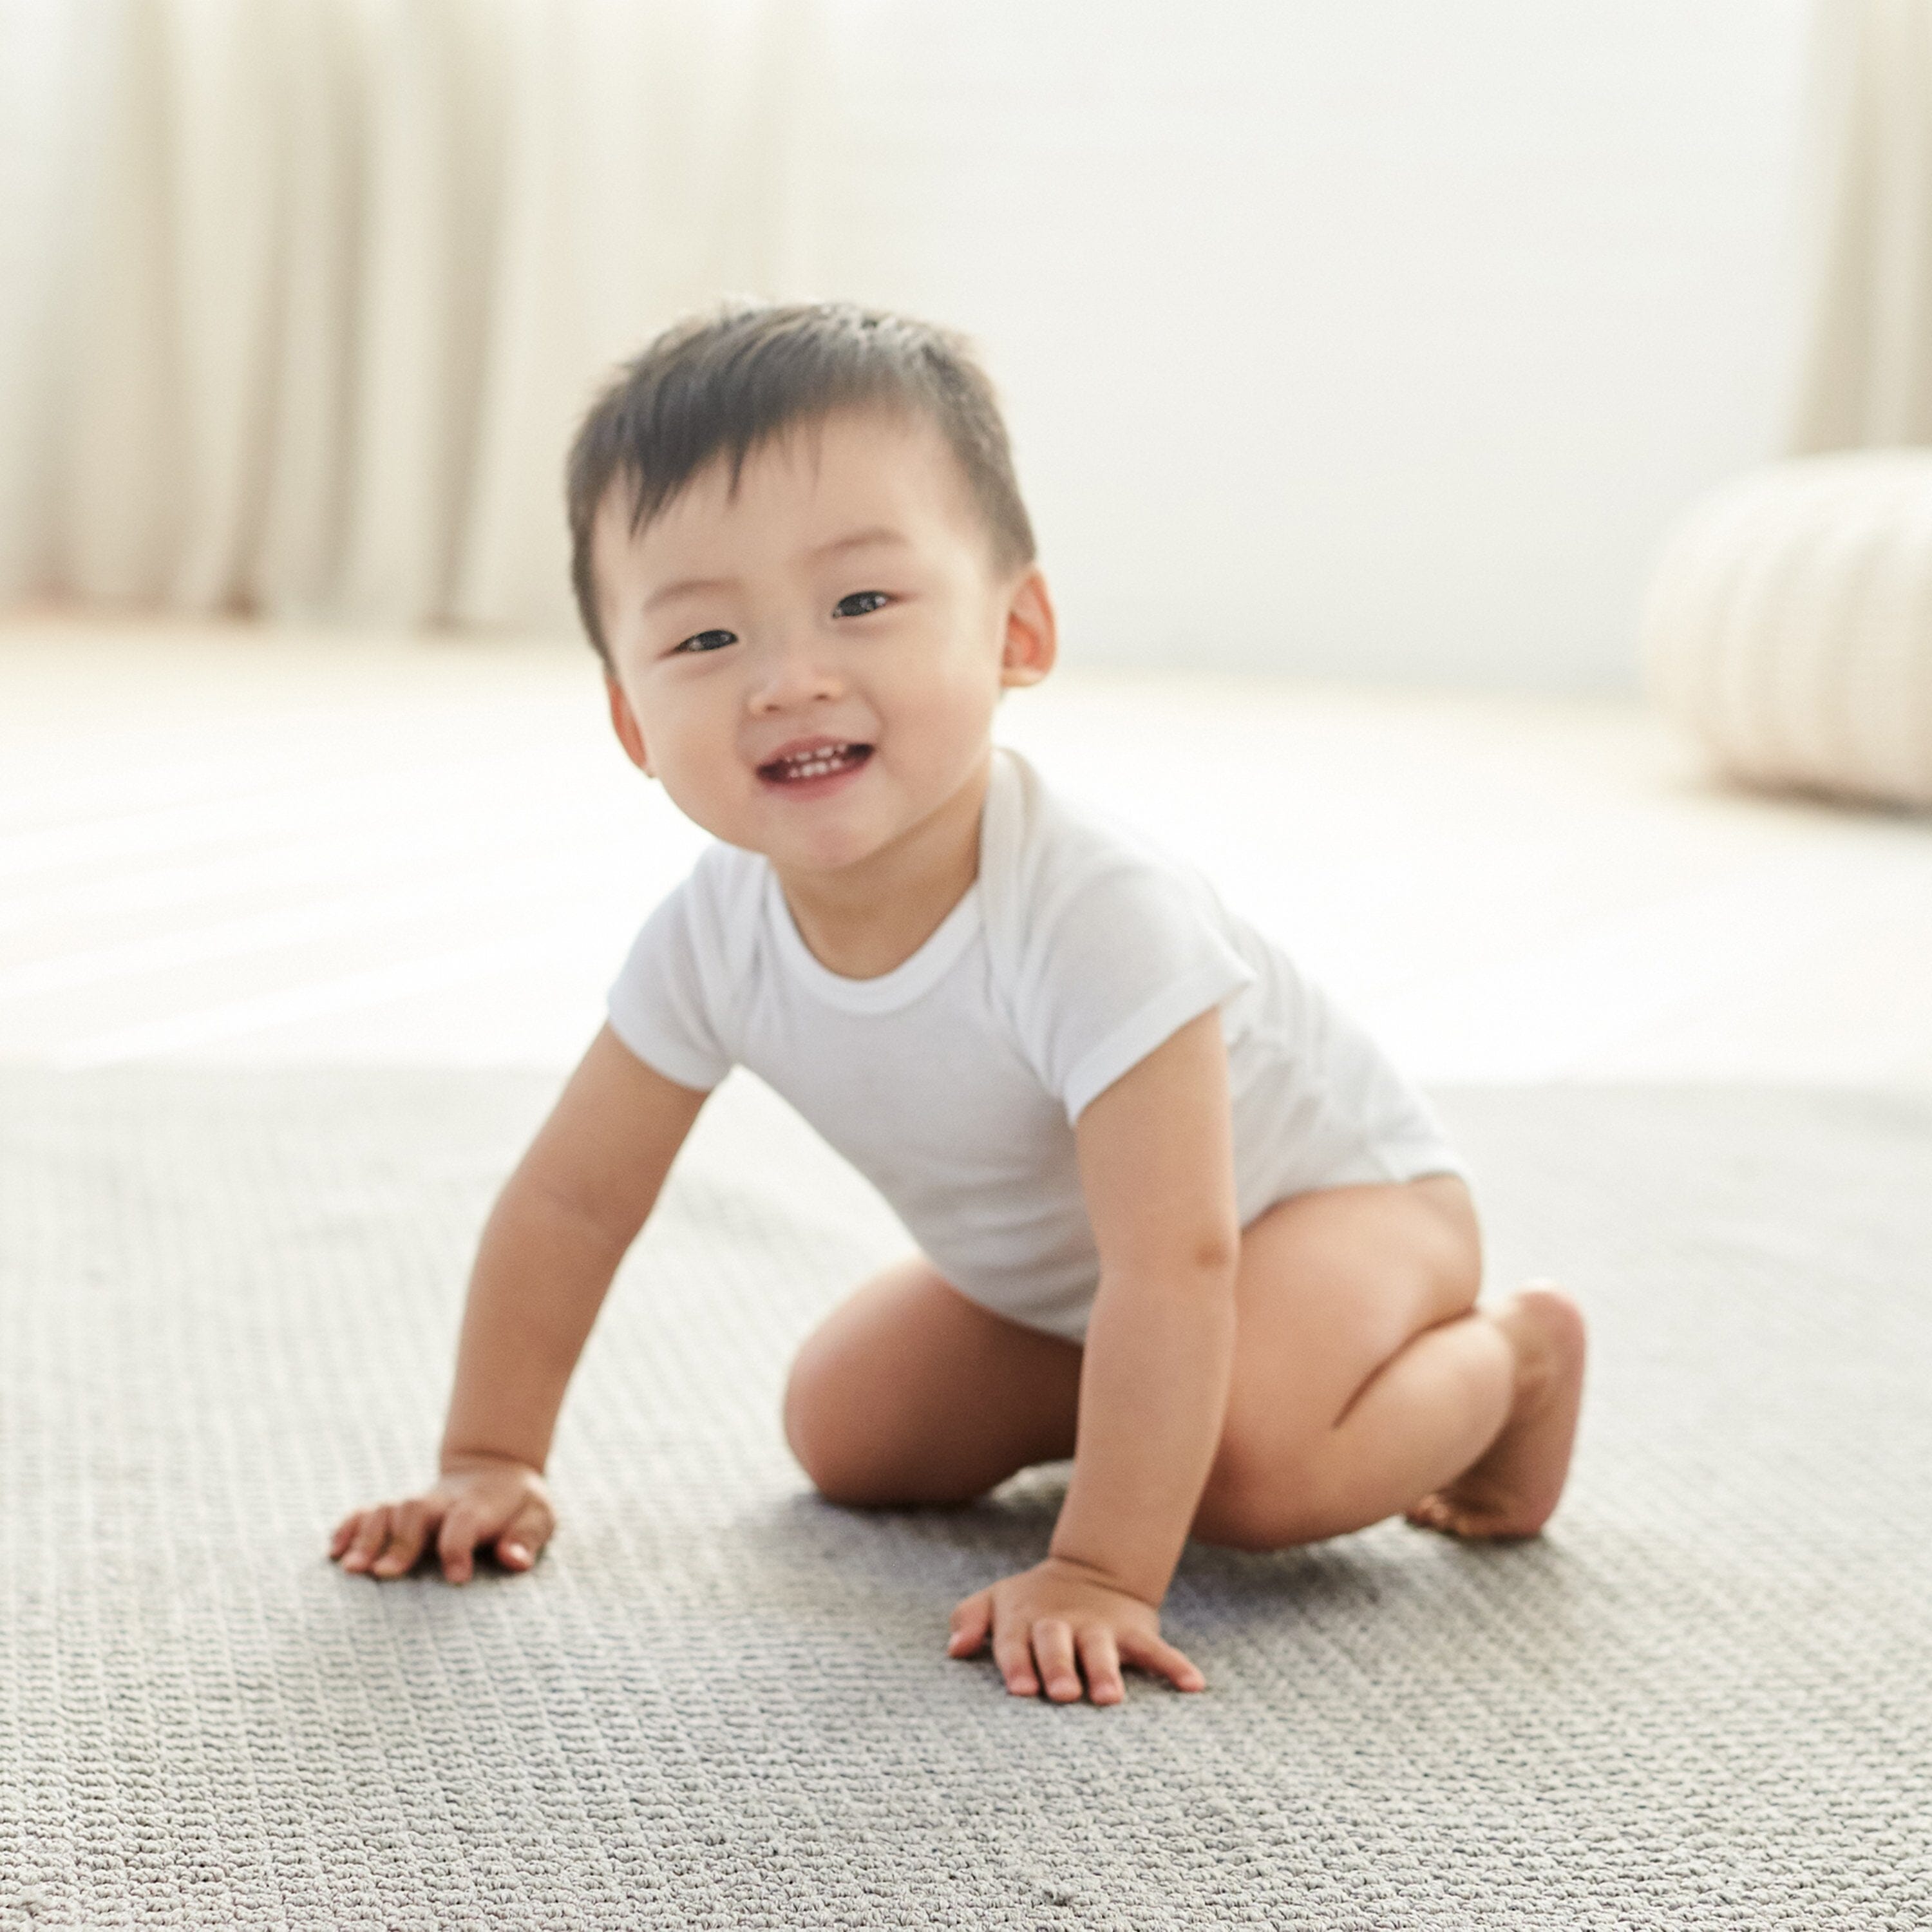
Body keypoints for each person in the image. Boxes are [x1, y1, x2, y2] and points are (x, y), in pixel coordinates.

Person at [329, 301, 1587, 1707]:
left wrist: (1103, 1567)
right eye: (705, 641)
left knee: (1252, 1470)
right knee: (848, 1435)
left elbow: (1179, 1262)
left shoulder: (1094, 912)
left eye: (863, 604)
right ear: (630, 721)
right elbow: (571, 1202)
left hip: (1334, 1213)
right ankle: (1138, 1401)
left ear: (1018, 632)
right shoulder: (713, 935)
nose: (789, 678)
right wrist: (491, 1458)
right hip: (1078, 1282)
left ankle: (1516, 1360)